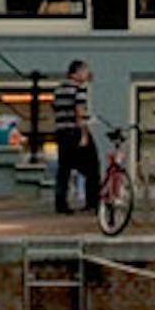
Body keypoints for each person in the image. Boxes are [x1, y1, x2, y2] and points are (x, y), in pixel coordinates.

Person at [48, 60, 96, 215]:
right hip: (75, 132)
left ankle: (61, 204)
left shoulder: (58, 89)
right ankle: (92, 201)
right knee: (92, 167)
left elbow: (54, 109)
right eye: (85, 72)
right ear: (78, 72)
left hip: (62, 132)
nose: (87, 75)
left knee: (64, 169)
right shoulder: (79, 89)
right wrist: (84, 134)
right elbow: (79, 112)